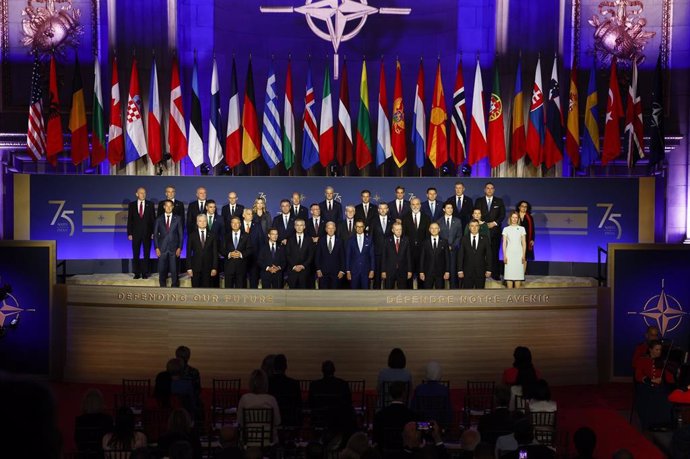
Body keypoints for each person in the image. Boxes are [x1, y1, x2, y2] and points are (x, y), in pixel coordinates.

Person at [634, 339, 674, 430]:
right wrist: (651, 380)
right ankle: (649, 423)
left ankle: (662, 423)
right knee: (648, 397)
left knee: (665, 397)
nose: (659, 352)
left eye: (660, 350)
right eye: (657, 350)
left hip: (659, 388)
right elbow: (638, 376)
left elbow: (669, 377)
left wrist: (676, 375)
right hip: (646, 386)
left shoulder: (662, 362)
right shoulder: (642, 360)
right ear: (650, 350)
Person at [308, 360, 355, 432]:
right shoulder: (343, 384)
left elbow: (310, 404)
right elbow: (348, 403)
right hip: (339, 421)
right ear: (334, 370)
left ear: (322, 371)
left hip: (319, 421)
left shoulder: (314, 385)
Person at [237, 369, 281, 445]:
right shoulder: (271, 399)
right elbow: (278, 421)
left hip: (249, 439)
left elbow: (240, 421)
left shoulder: (245, 398)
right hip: (268, 440)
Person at [373, 383, 419, 452]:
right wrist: (430, 425)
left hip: (385, 453)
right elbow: (421, 428)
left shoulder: (379, 415)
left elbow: (376, 437)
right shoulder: (412, 415)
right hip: (406, 453)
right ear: (404, 394)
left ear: (390, 394)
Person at [476, 182, 505, 280]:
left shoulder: (499, 201)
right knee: (480, 253)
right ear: (484, 190)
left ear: (494, 190)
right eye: (487, 188)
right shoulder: (479, 201)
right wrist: (483, 224)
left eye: (491, 188)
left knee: (494, 253)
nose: (489, 190)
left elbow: (502, 215)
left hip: (495, 232)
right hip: (482, 231)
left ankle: (495, 274)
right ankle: (481, 273)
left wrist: (494, 223)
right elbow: (476, 214)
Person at [410, 362, 452, 430]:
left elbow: (413, 411)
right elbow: (448, 413)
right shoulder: (444, 390)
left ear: (426, 374)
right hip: (439, 427)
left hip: (421, 427)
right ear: (439, 374)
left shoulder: (419, 389)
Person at [127, 187, 156, 279]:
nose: (143, 194)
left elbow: (153, 220)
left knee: (146, 253)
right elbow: (130, 220)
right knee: (136, 253)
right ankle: (136, 272)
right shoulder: (132, 205)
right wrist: (129, 233)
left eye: (144, 193)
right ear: (137, 194)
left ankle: (145, 272)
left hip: (147, 233)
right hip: (135, 234)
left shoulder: (150, 204)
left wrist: (153, 232)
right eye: (141, 193)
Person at [75, 388, 114, 456]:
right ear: (101, 402)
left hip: (84, 456)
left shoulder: (80, 420)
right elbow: (111, 441)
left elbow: (78, 441)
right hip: (102, 456)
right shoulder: (108, 419)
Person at [154, 200, 184, 287]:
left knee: (174, 270)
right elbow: (155, 235)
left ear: (173, 207)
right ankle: (162, 287)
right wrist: (156, 247)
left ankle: (174, 287)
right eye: (166, 206)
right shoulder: (159, 219)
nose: (168, 207)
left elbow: (181, 234)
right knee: (162, 269)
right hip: (162, 248)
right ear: (164, 207)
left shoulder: (177, 218)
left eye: (170, 206)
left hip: (174, 248)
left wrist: (180, 247)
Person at [402, 198, 431, 287]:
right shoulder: (405, 217)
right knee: (409, 275)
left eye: (417, 204)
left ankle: (422, 295)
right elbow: (403, 234)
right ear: (410, 206)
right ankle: (408, 296)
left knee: (422, 274)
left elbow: (427, 235)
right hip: (409, 251)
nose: (415, 206)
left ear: (420, 205)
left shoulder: (426, 217)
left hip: (422, 251)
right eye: (413, 204)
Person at [268, 354, 302, 428]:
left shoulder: (267, 383)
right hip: (291, 421)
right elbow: (299, 404)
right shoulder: (294, 384)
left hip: (271, 421)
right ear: (285, 367)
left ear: (273, 367)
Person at [457, 220, 492, 289]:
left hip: (481, 271)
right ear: (469, 227)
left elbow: (489, 255)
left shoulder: (485, 238)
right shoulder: (464, 239)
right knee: (467, 294)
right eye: (472, 226)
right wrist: (460, 270)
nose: (474, 228)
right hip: (467, 271)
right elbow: (460, 255)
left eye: (476, 226)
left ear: (479, 227)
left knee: (480, 294)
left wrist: (489, 269)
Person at [186, 214, 218, 288]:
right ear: (197, 223)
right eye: (200, 221)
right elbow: (188, 253)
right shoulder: (192, 235)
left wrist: (214, 267)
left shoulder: (212, 235)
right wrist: (189, 268)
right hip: (195, 268)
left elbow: (215, 253)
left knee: (207, 290)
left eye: (204, 221)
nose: (202, 223)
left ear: (207, 222)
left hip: (208, 268)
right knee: (195, 289)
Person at [223, 216, 253, 289]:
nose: (235, 224)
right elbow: (222, 249)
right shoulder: (225, 236)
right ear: (230, 224)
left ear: (240, 224)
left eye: (237, 223)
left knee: (241, 290)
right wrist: (230, 254)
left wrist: (241, 254)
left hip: (241, 268)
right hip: (229, 268)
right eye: (233, 223)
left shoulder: (246, 236)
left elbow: (250, 249)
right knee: (228, 291)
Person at [381, 222, 412, 289]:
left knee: (402, 291)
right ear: (392, 230)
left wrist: (409, 270)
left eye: (400, 229)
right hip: (390, 270)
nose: (399, 231)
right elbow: (384, 256)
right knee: (388, 290)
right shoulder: (387, 241)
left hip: (402, 270)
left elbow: (408, 256)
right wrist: (383, 271)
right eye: (397, 229)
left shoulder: (406, 240)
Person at [438, 203, 463, 288]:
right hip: (441, 251)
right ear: (444, 209)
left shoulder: (457, 221)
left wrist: (452, 246)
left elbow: (459, 236)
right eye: (448, 208)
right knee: (441, 271)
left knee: (453, 272)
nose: (450, 210)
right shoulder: (439, 221)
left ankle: (454, 292)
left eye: (451, 208)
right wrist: (444, 246)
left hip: (453, 251)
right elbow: (438, 236)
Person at [419, 223, 450, 289]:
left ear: (439, 229)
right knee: (427, 294)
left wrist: (447, 271)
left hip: (440, 273)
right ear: (429, 230)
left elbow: (447, 258)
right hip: (427, 272)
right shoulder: (425, 242)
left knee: (440, 294)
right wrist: (421, 271)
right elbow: (422, 258)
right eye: (432, 228)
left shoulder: (444, 242)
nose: (434, 230)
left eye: (436, 228)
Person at [346, 219, 375, 289]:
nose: (359, 228)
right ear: (355, 227)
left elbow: (372, 256)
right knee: (353, 293)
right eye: (358, 227)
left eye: (361, 226)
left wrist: (372, 270)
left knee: (365, 294)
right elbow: (348, 256)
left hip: (366, 271)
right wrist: (348, 271)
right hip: (353, 271)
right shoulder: (350, 240)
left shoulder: (369, 240)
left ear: (364, 227)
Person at [315, 222, 346, 289]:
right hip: (323, 273)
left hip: (336, 273)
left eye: (332, 228)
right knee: (323, 295)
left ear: (335, 229)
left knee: (336, 295)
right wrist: (318, 269)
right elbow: (317, 256)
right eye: (329, 228)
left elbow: (343, 257)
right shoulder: (321, 240)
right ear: (326, 229)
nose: (331, 230)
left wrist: (342, 270)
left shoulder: (340, 241)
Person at [286, 218, 315, 289]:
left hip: (305, 272)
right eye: (297, 225)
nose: (299, 227)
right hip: (292, 271)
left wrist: (302, 266)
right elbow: (287, 254)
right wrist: (294, 266)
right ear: (294, 226)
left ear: (304, 227)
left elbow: (311, 255)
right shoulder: (289, 239)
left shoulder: (309, 239)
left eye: (301, 225)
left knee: (304, 295)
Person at [371, 203, 393, 289]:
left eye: (385, 208)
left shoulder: (392, 221)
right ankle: (376, 296)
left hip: (390, 253)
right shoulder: (373, 221)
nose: (383, 210)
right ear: (378, 210)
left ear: (387, 210)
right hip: (377, 253)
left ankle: (388, 294)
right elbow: (371, 237)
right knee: (377, 276)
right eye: (381, 208)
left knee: (389, 275)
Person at [502, 212, 527, 289]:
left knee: (518, 276)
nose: (514, 219)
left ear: (518, 219)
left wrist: (523, 255)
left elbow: (524, 243)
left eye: (516, 217)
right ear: (510, 218)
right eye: (513, 217)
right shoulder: (506, 229)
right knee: (509, 276)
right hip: (509, 255)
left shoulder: (522, 229)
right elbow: (504, 243)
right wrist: (504, 256)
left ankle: (517, 298)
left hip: (519, 255)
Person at [241, 208, 264, 288]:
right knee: (241, 281)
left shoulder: (257, 225)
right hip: (241, 258)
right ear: (243, 215)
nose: (251, 215)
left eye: (251, 214)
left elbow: (261, 242)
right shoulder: (238, 225)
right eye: (248, 214)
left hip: (254, 258)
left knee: (254, 281)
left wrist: (260, 257)